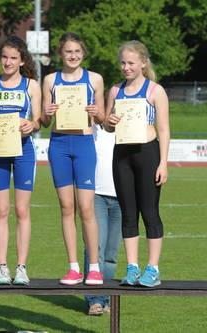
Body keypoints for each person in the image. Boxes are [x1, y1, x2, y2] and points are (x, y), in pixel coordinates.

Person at [104, 40, 170, 287]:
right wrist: (109, 121)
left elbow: (163, 129)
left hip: (148, 154)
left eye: (131, 63)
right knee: (128, 213)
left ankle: (152, 269)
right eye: (123, 63)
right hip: (122, 155)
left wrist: (163, 162)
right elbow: (107, 126)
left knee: (150, 212)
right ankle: (132, 267)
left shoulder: (155, 91)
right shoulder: (115, 90)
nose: (126, 67)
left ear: (143, 62)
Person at [42, 32, 105, 285]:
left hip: (84, 144)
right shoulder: (50, 80)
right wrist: (46, 113)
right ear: (61, 53)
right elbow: (45, 122)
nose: (73, 56)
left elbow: (101, 118)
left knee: (87, 208)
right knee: (67, 207)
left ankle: (94, 267)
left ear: (83, 53)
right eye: (68, 51)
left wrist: (97, 113)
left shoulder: (95, 79)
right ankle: (73, 267)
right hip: (59, 144)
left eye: (77, 51)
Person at [0, 36, 41, 285]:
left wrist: (31, 125)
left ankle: (21, 267)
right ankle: (2, 267)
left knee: (22, 210)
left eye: (14, 58)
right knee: (1, 210)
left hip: (24, 150)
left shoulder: (31, 86)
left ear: (21, 60)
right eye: (4, 57)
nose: (8, 62)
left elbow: (38, 121)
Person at [83, 123, 122, 315]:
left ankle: (105, 297)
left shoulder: (128, 127)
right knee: (95, 248)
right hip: (96, 195)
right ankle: (94, 299)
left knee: (111, 254)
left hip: (122, 197)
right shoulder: (93, 128)